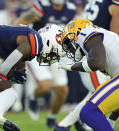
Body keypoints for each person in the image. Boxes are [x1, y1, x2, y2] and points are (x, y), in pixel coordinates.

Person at [55, 0, 119, 130]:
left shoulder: (85, 33)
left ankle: (64, 125)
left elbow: (97, 63)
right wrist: (111, 122)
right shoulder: (107, 43)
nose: (70, 49)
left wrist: (71, 66)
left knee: (89, 112)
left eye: (69, 43)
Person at [13, 0, 76, 128]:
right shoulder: (43, 6)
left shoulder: (70, 9)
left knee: (62, 90)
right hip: (38, 51)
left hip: (57, 53)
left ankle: (52, 118)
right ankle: (33, 98)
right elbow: (18, 23)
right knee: (46, 85)